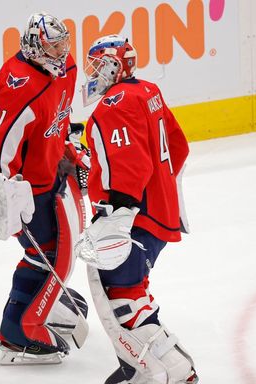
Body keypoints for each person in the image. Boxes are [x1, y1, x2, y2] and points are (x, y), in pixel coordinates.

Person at [0, 11, 90, 365]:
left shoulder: (65, 68)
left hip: (52, 172)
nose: (62, 52)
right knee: (46, 254)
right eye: (54, 46)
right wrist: (5, 199)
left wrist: (69, 150)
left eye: (64, 44)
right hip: (27, 188)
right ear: (36, 46)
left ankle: (46, 302)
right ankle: (17, 332)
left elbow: (60, 116)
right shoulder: (17, 85)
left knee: (61, 248)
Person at [77, 34, 198, 384]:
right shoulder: (147, 91)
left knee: (125, 300)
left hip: (132, 220)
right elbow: (178, 147)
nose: (93, 73)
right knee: (136, 291)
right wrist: (159, 191)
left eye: (98, 65)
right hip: (158, 212)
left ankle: (173, 372)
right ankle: (142, 368)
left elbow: (128, 163)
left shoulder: (113, 103)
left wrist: (117, 216)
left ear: (114, 66)